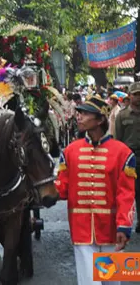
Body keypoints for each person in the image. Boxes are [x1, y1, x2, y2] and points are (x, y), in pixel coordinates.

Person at [56, 95, 136, 285]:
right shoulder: (70, 151)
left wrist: (124, 226)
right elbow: (62, 189)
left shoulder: (123, 152)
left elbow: (126, 194)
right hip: (81, 229)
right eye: (80, 113)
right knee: (88, 283)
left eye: (85, 113)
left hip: (111, 229)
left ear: (100, 120)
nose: (80, 117)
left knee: (112, 282)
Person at [115, 82, 140, 233]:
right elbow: (118, 140)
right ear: (129, 96)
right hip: (130, 158)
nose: (138, 97)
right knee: (129, 192)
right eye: (135, 94)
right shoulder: (122, 115)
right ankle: (125, 222)